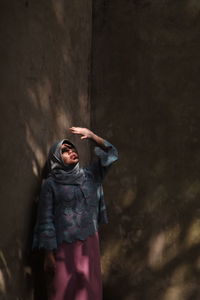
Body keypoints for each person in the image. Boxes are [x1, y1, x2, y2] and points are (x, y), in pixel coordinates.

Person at [32, 127, 118, 300]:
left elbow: (112, 154)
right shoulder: (51, 184)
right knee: (63, 291)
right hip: (64, 246)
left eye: (72, 148)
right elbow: (46, 218)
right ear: (56, 158)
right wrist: (48, 254)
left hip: (89, 243)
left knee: (89, 290)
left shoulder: (91, 176)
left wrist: (93, 136)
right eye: (65, 150)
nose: (71, 151)